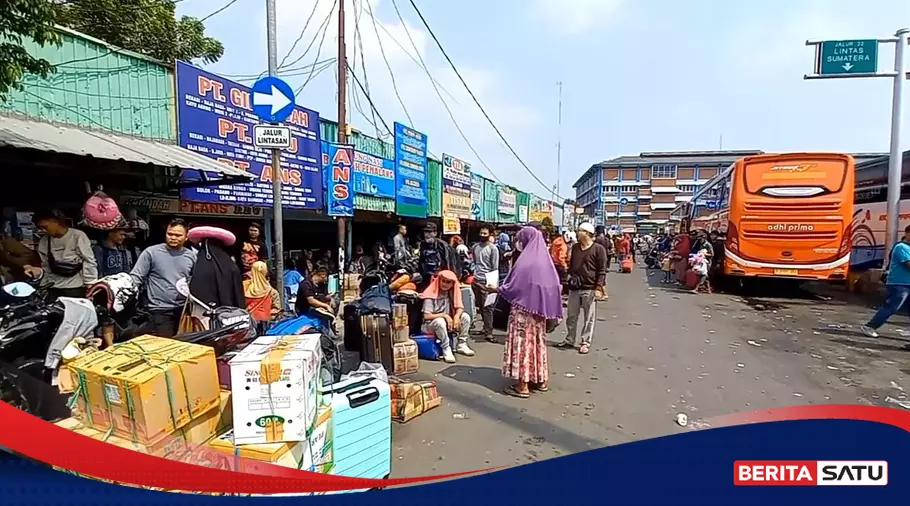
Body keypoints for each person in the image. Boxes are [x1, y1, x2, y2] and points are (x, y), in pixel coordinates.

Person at [486, 227, 561, 398]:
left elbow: (513, 286)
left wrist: (496, 289)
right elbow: (555, 286)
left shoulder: (525, 262)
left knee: (521, 346)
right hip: (539, 313)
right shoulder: (545, 261)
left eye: (520, 239)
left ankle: (522, 385)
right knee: (537, 344)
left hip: (522, 312)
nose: (518, 243)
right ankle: (540, 380)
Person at [130, 219, 197, 337]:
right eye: (170, 234)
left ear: (186, 237)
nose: (173, 237)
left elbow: (196, 280)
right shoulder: (151, 253)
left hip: (184, 311)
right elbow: (136, 277)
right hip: (158, 310)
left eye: (178, 235)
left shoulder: (191, 256)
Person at [24, 209, 98, 302]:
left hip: (75, 287)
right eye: (40, 228)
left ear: (54, 221)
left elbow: (89, 261)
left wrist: (90, 284)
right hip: (52, 287)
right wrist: (37, 273)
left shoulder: (77, 236)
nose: (43, 230)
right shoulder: (44, 241)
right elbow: (45, 267)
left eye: (44, 227)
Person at [558, 222, 607, 355]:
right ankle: (570, 339)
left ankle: (585, 342)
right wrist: (569, 276)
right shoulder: (575, 248)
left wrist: (598, 287)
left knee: (588, 317)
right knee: (571, 316)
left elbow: (602, 270)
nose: (577, 233)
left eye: (580, 231)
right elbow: (571, 264)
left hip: (590, 288)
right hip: (575, 287)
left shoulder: (598, 249)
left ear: (587, 233)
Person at [861, 224, 910, 337]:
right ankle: (870, 326)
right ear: (907, 233)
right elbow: (908, 264)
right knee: (892, 307)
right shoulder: (901, 247)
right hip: (900, 284)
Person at [420, 269, 473, 363]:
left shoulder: (452, 293)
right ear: (439, 281)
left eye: (448, 282)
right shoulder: (430, 294)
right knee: (440, 321)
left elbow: (460, 307)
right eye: (443, 281)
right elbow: (426, 316)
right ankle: (446, 348)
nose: (445, 284)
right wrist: (445, 316)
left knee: (465, 317)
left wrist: (456, 317)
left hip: (448, 322)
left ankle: (462, 344)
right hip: (430, 325)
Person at [189, 227, 245, 309]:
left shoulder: (200, 264)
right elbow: (238, 296)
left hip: (203, 313)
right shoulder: (232, 266)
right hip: (229, 315)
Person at [471, 225, 500, 343]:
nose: (482, 235)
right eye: (481, 233)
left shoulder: (493, 249)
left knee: (488, 308)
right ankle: (485, 328)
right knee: (481, 308)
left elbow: (494, 267)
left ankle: (489, 332)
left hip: (487, 281)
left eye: (485, 233)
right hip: (476, 280)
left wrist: (493, 285)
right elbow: (474, 262)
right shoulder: (475, 247)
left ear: (490, 234)